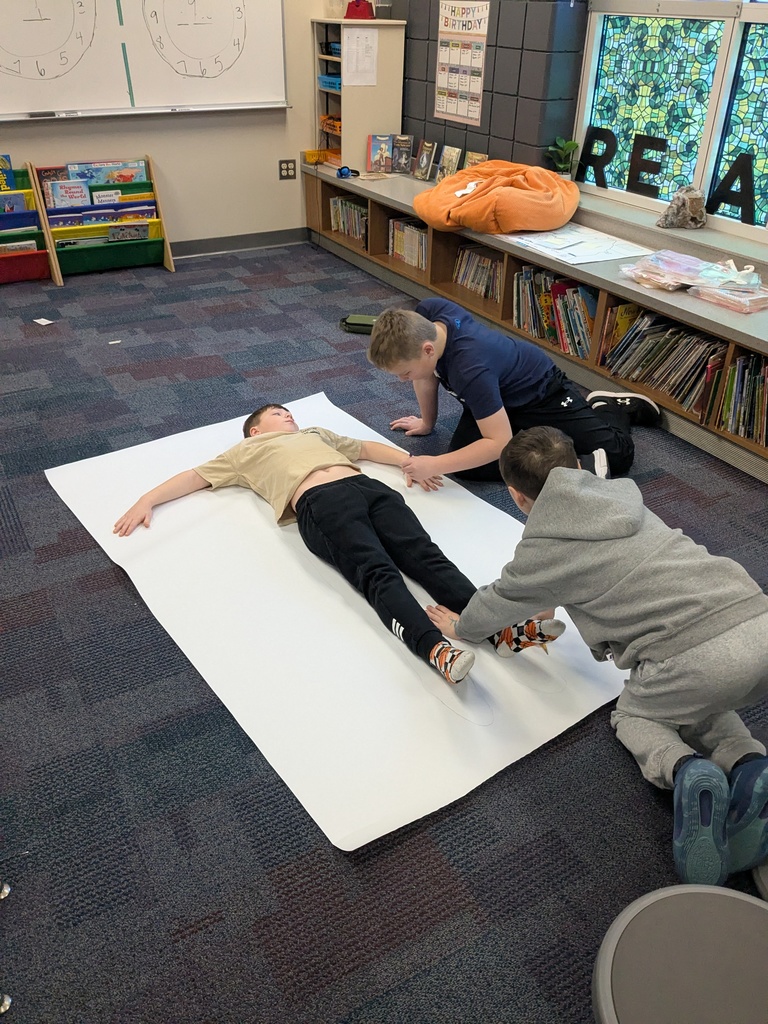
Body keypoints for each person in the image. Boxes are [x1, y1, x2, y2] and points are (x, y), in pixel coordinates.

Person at [426, 425, 768, 886]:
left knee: (637, 715)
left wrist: (460, 626)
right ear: (580, 468)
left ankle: (687, 770)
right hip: (754, 617)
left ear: (516, 497)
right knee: (696, 698)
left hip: (692, 659)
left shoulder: (542, 549)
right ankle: (749, 764)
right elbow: (586, 575)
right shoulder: (623, 502)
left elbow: (497, 601)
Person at [114, 404, 563, 686]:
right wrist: (147, 499)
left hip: (371, 491)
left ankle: (499, 628)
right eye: (277, 413)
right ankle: (434, 648)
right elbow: (193, 477)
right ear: (255, 431)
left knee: (426, 558)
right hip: (320, 504)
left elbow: (365, 448)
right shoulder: (243, 453)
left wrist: (411, 461)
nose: (288, 415)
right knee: (378, 574)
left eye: (290, 412)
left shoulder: (317, 434)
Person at [367, 298, 662, 484]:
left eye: (404, 373)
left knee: (617, 456)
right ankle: (527, 432)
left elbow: (498, 443)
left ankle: (610, 408)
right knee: (468, 466)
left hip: (542, 392)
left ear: (428, 350)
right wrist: (427, 423)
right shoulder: (430, 315)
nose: (404, 380)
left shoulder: (470, 370)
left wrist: (434, 464)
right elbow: (425, 375)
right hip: (495, 394)